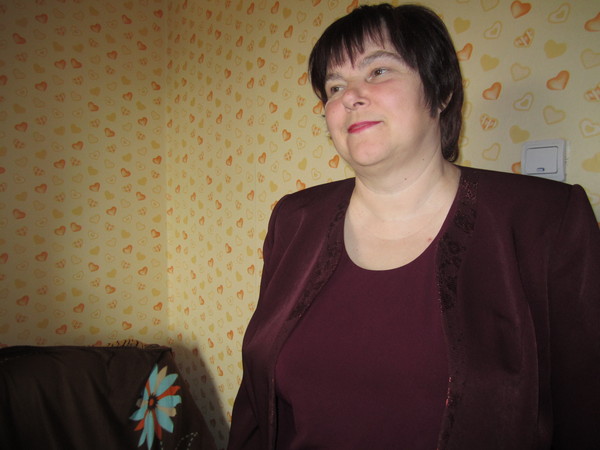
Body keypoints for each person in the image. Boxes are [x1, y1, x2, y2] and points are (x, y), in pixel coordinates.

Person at [227, 3, 600, 449]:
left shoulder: (545, 220)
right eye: (334, 86)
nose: (350, 96)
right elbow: (257, 402)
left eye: (378, 71)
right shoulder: (293, 220)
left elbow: (586, 408)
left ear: (441, 92)